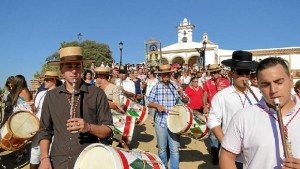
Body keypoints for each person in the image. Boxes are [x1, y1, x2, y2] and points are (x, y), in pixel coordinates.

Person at [38, 46, 113, 169]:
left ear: (83, 68)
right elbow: (45, 131)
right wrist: (44, 158)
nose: (74, 71)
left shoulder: (96, 93)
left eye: (77, 66)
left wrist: (88, 127)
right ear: (61, 68)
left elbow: (108, 130)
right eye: (68, 66)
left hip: (89, 162)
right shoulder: (51, 96)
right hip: (58, 162)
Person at [220, 57, 300, 169]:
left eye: (279, 82)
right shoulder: (243, 117)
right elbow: (227, 157)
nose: (273, 90)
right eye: (265, 85)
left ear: (291, 80)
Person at [207, 51, 261, 168]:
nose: (245, 76)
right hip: (231, 156)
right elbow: (213, 121)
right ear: (231, 73)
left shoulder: (259, 94)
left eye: (247, 72)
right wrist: (226, 144)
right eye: (240, 72)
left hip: (256, 155)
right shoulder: (221, 96)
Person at [148, 64, 189, 169]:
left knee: (174, 149)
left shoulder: (175, 86)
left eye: (167, 74)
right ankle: (164, 166)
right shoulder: (156, 87)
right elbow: (148, 102)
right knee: (162, 149)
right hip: (160, 121)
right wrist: (157, 106)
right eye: (163, 74)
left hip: (174, 122)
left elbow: (187, 101)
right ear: (160, 76)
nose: (165, 76)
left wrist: (182, 94)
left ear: (170, 74)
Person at [30, 71, 62, 169]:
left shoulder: (61, 95)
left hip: (53, 130)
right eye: (44, 79)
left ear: (54, 80)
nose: (44, 81)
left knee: (50, 155)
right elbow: (36, 111)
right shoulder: (41, 94)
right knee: (35, 153)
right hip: (39, 128)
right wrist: (32, 106)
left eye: (47, 79)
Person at [202, 64, 230, 165]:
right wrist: (204, 106)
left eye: (216, 72)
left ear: (219, 72)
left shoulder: (226, 82)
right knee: (213, 135)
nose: (214, 74)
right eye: (212, 73)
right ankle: (215, 155)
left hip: (225, 111)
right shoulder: (207, 83)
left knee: (225, 132)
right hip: (212, 111)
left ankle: (223, 154)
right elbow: (204, 94)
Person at [10, 74, 34, 163]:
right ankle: (23, 152)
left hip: (24, 120)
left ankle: (20, 156)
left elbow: (29, 106)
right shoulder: (18, 91)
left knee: (20, 140)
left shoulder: (24, 91)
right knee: (19, 139)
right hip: (17, 119)